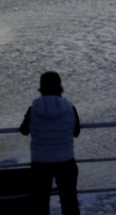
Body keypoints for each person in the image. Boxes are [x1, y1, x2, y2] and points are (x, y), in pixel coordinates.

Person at [20, 71, 82, 215]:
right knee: (69, 202)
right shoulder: (70, 108)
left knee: (40, 203)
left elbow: (24, 130)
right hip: (66, 161)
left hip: (40, 163)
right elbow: (76, 132)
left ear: (41, 87)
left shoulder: (33, 109)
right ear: (60, 86)